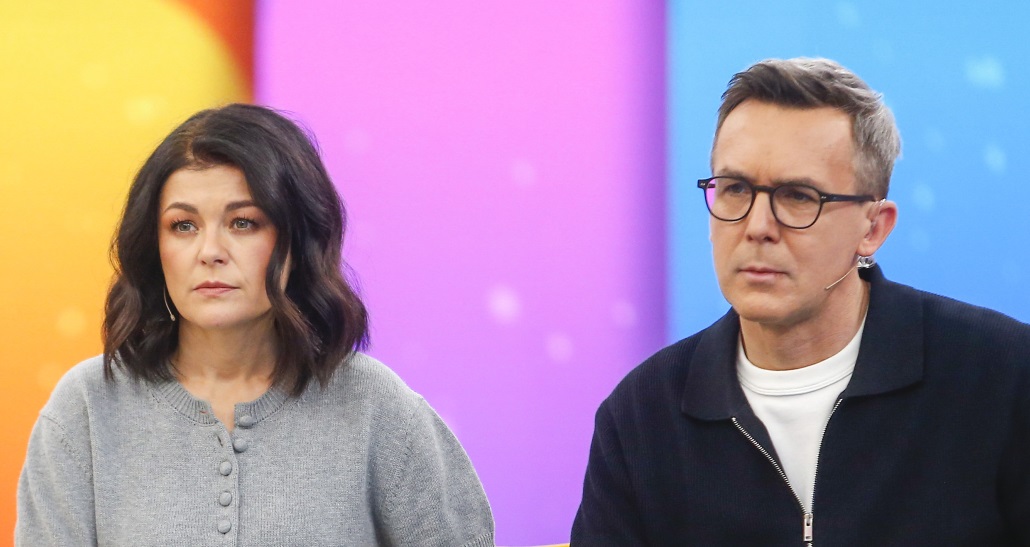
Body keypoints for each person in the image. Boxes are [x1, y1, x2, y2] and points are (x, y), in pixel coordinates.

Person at [572, 58, 1030, 545]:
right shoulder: (642, 415)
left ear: (873, 228)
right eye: (735, 189)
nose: (757, 227)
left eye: (797, 196)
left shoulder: (1002, 376)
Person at [16, 104, 495, 546]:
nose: (210, 251)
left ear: (298, 242)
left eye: (243, 222)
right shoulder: (86, 408)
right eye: (183, 226)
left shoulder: (374, 405)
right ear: (153, 248)